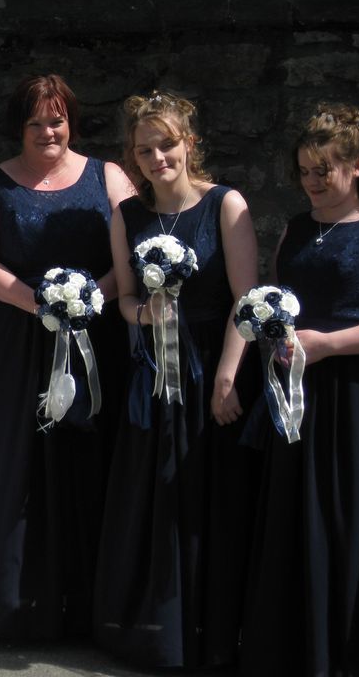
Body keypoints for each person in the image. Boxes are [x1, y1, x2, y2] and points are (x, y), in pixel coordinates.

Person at [240, 104, 359, 677]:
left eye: (323, 170)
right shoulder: (297, 229)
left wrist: (329, 344)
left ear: (358, 165)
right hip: (302, 391)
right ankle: (303, 647)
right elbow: (281, 300)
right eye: (304, 171)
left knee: (356, 514)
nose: (312, 181)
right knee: (304, 512)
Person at [92, 91, 261, 668]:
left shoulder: (225, 205)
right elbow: (124, 298)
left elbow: (246, 300)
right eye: (145, 150)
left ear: (190, 142)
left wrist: (227, 377)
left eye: (167, 144)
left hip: (213, 361)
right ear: (132, 156)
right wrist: (146, 314)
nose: (157, 158)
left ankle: (213, 632)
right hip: (154, 373)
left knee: (213, 495)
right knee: (155, 492)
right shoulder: (128, 216)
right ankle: (156, 629)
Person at [0, 74, 136, 640]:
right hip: (20, 342)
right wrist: (41, 305)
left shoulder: (108, 177)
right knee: (19, 465)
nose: (47, 132)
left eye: (57, 120)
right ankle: (20, 607)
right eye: (35, 122)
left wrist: (89, 300)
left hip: (96, 338)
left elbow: (133, 254)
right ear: (19, 127)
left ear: (72, 122)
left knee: (90, 458)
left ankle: (91, 606)